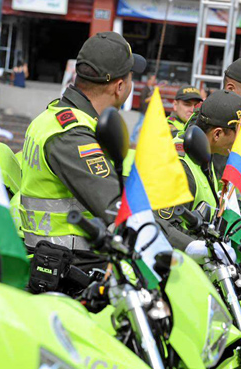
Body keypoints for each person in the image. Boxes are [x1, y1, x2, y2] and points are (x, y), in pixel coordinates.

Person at [19, 31, 146, 252]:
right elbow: (114, 207)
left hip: (59, 259)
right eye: (130, 76)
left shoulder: (56, 117)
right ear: (119, 87)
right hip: (72, 266)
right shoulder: (72, 134)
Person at [157, 90, 241, 258]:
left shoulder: (204, 153)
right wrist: (195, 247)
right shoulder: (179, 165)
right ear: (218, 134)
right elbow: (163, 226)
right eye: (239, 133)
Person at [131, 74, 156, 142]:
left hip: (150, 111)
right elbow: (142, 101)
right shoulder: (145, 89)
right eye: (153, 79)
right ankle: (132, 139)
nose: (154, 81)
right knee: (139, 125)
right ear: (149, 80)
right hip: (144, 111)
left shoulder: (152, 88)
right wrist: (150, 98)